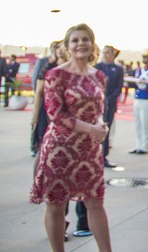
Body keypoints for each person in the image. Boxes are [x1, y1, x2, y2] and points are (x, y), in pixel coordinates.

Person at [29, 23, 112, 252]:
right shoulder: (56, 75)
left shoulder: (100, 76)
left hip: (89, 150)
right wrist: (91, 128)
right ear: (67, 47)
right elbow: (56, 114)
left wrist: (101, 126)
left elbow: (98, 111)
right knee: (56, 204)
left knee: (96, 203)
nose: (80, 44)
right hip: (60, 148)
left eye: (85, 39)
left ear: (92, 44)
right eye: (75, 40)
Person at [95, 45, 124, 168]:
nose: (105, 55)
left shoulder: (118, 69)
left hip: (110, 103)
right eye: (104, 52)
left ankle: (104, 155)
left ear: (113, 54)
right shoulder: (98, 67)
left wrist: (111, 98)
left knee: (107, 127)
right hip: (98, 104)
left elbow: (119, 86)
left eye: (108, 53)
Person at [130, 48, 148, 154]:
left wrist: (146, 84)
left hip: (147, 99)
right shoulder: (139, 70)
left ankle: (144, 145)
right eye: (143, 57)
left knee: (144, 123)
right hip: (138, 98)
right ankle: (138, 144)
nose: (144, 59)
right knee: (138, 123)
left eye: (146, 57)